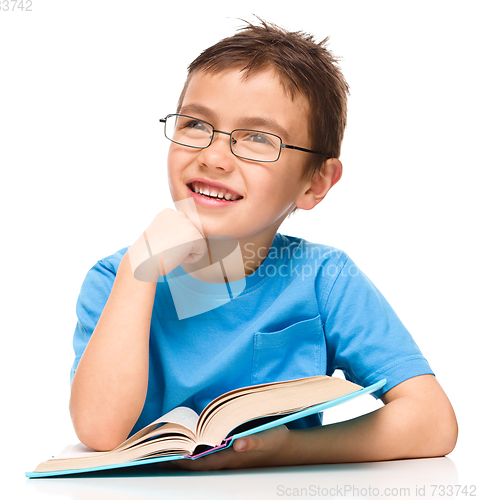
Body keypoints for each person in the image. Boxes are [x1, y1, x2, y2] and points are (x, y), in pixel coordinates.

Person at [68, 20, 458, 470]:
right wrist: (139, 273)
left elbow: (433, 421)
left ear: (315, 183)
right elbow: (99, 432)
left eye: (257, 138)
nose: (213, 157)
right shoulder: (114, 278)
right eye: (196, 124)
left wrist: (294, 449)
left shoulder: (325, 278)